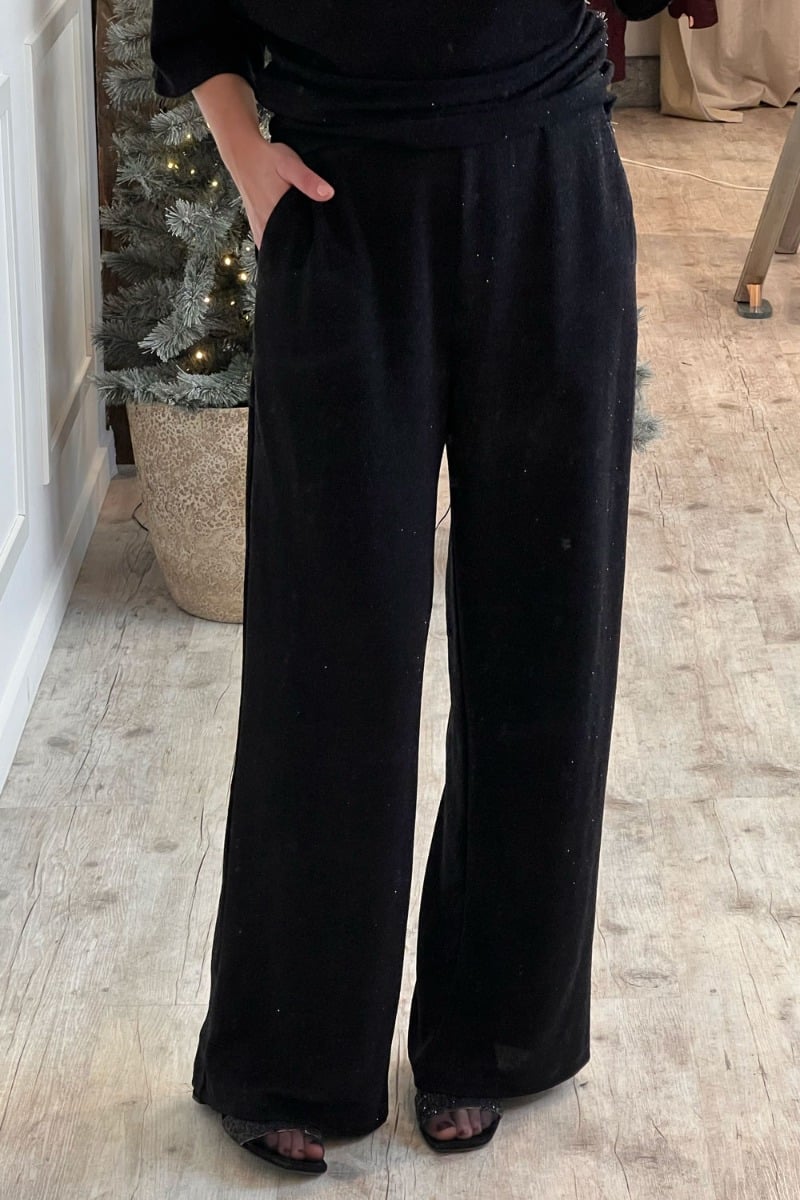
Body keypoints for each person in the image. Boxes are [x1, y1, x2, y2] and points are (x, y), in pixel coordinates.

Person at [150, 0, 666, 1177]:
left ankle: (496, 1033)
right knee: (324, 649)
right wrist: (247, 161)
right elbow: (191, 13)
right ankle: (291, 1053)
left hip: (547, 174)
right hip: (339, 193)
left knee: (546, 633)